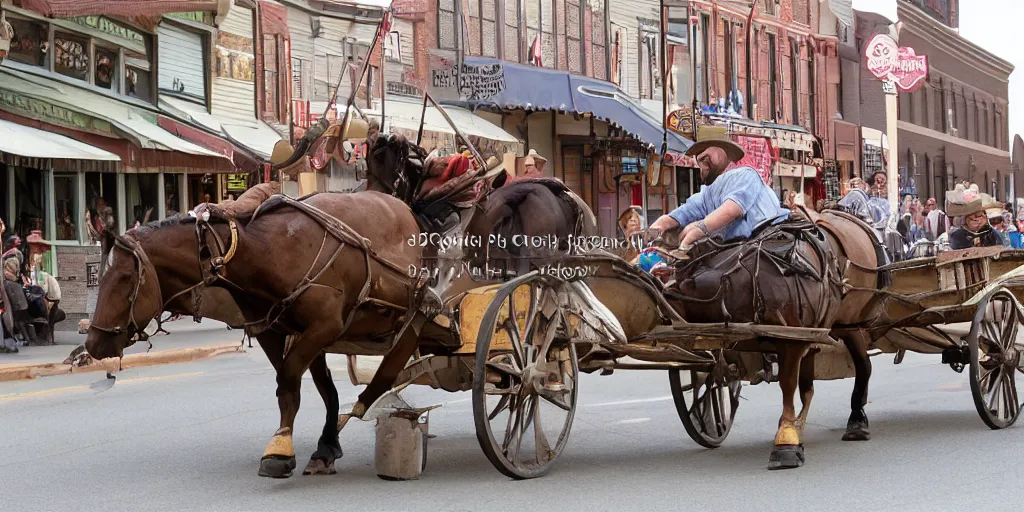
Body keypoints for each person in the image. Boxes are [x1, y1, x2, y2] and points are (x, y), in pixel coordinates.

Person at [648, 136, 790, 253]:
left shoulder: (746, 175)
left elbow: (732, 209)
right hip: (736, 253)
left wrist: (699, 228)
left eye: (706, 157)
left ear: (724, 153)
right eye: (699, 160)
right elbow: (682, 213)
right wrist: (656, 228)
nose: (702, 164)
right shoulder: (706, 195)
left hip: (769, 245)